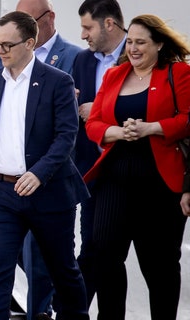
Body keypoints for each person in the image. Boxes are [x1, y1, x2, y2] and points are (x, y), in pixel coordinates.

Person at [0, 11, 90, 320]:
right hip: (0, 194)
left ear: (30, 43)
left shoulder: (58, 81)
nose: (0, 51)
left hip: (50, 192)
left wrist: (38, 173)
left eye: (7, 45)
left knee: (62, 269)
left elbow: (66, 136)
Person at [83, 14, 190, 319]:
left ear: (158, 43)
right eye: (130, 41)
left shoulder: (178, 73)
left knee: (159, 264)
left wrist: (151, 128)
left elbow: (187, 119)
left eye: (141, 42)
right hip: (115, 177)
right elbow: (93, 123)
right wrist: (119, 132)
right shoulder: (114, 75)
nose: (133, 48)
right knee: (104, 254)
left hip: (159, 181)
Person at [11, 1, 81, 318]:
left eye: (30, 21)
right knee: (14, 249)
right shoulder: (9, 56)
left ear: (49, 18)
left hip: (54, 173)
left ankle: (41, 312)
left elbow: (78, 118)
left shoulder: (75, 57)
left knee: (47, 255)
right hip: (12, 173)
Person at [71, 0, 126, 308]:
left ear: (109, 24)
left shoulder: (141, 52)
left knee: (126, 254)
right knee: (92, 246)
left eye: (87, 27)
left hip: (134, 170)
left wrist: (102, 110)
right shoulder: (83, 61)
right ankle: (74, 311)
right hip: (93, 171)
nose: (82, 35)